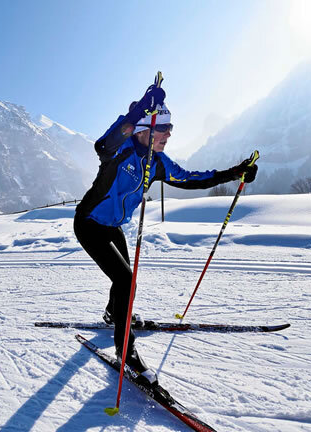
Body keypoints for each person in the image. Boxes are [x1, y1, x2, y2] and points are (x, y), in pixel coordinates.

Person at [73, 83, 258, 384]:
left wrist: (235, 172)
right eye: (164, 128)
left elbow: (191, 179)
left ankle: (113, 314)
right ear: (143, 129)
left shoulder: (157, 162)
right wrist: (138, 109)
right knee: (125, 280)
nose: (169, 134)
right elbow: (102, 146)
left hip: (112, 227)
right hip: (89, 224)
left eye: (171, 128)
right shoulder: (120, 148)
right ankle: (126, 351)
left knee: (124, 278)